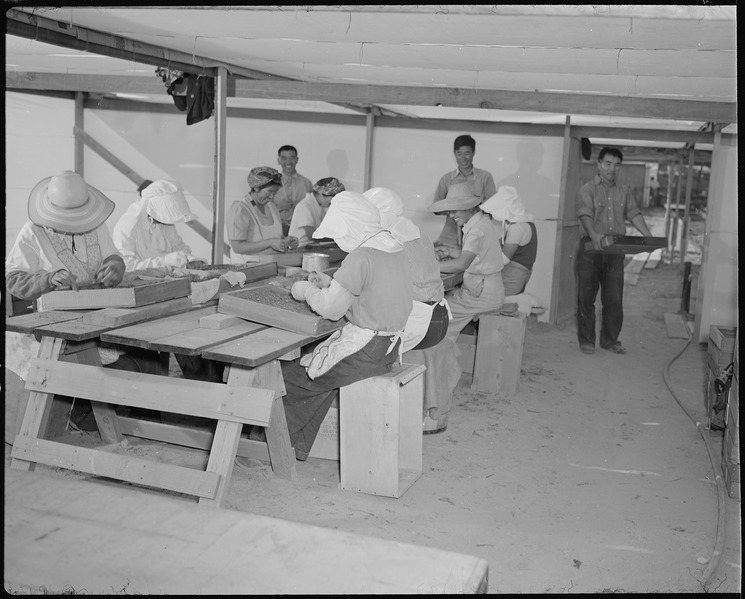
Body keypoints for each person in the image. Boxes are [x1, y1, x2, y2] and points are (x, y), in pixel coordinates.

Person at [5, 171, 163, 431]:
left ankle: (139, 423)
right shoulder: (32, 232)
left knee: (149, 356)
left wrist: (114, 268)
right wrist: (47, 279)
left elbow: (114, 257)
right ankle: (86, 418)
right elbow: (13, 281)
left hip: (97, 316)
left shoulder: (96, 225)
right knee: (95, 366)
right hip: (54, 325)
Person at [280, 191, 413, 460]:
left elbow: (330, 309)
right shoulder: (394, 246)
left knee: (292, 378)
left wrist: (305, 290)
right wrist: (330, 285)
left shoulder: (361, 256)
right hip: (389, 345)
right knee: (319, 377)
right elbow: (371, 291)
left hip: (366, 350)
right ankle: (298, 446)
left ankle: (272, 447)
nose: (338, 241)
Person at [364, 186, 461, 435]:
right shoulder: (414, 230)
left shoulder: (388, 237)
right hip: (438, 315)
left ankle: (379, 416)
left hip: (418, 322)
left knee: (359, 337)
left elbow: (378, 284)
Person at [576, 147, 653, 355]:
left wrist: (648, 236)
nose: (612, 169)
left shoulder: (624, 191)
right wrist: (593, 235)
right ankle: (587, 340)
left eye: (616, 165)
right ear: (599, 164)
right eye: (608, 163)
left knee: (614, 298)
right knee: (586, 297)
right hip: (591, 249)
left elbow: (634, 213)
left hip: (615, 250)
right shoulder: (587, 189)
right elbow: (585, 214)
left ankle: (610, 340)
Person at [112, 179, 207, 271]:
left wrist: (192, 259)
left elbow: (178, 246)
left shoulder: (164, 222)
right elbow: (127, 267)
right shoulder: (127, 228)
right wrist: (164, 261)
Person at [432, 134, 497, 251]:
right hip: (450, 239)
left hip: (477, 236)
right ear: (454, 153)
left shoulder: (485, 177)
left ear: (474, 152)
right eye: (459, 153)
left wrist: (472, 210)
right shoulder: (447, 179)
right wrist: (455, 210)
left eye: (467, 153)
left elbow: (493, 207)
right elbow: (436, 208)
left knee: (473, 266)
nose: (463, 158)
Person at [228, 166, 298, 262]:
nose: (272, 196)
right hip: (246, 268)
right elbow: (237, 247)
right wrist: (270, 243)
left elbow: (274, 237)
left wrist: (285, 242)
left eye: (275, 192)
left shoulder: (271, 207)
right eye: (269, 192)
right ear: (256, 188)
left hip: (270, 265)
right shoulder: (240, 209)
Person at [480, 185, 537, 296]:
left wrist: (477, 261)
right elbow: (498, 244)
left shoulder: (517, 228)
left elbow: (503, 259)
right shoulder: (525, 222)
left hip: (514, 276)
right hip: (517, 273)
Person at [288, 177, 345, 246]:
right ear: (322, 194)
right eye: (332, 199)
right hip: (300, 247)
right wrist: (336, 238)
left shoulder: (321, 207)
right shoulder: (305, 206)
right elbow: (311, 235)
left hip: (312, 246)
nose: (332, 203)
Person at [272, 145, 314, 236]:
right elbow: (261, 206)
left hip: (300, 231)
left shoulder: (307, 183)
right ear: (278, 160)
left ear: (297, 160)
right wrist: (277, 207)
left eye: (292, 158)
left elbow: (314, 207)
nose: (288, 162)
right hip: (276, 230)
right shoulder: (271, 183)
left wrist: (300, 206)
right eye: (284, 158)